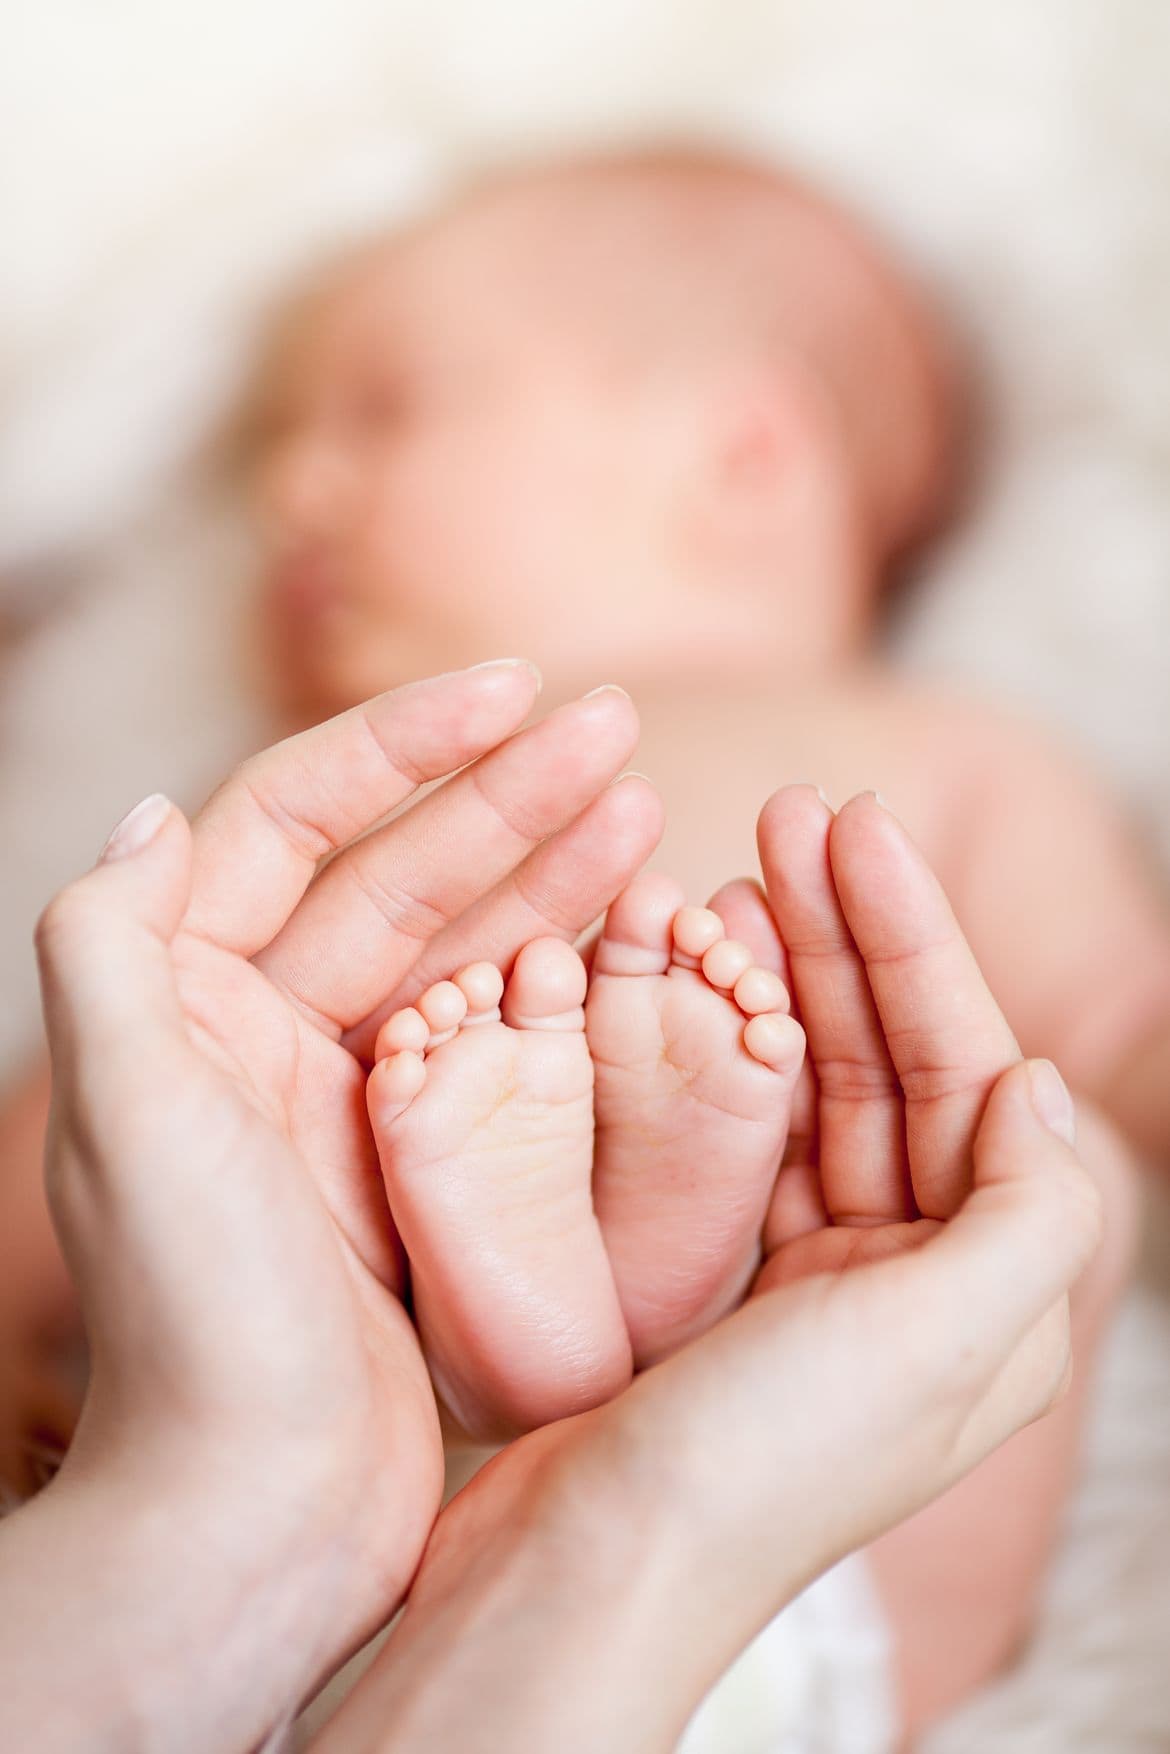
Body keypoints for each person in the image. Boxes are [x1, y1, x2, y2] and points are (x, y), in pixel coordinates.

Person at [238, 145, 1160, 1732]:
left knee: (1050, 1167)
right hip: (281, 1531)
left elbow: (1124, 1026)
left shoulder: (944, 754)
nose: (285, 493)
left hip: (763, 1574)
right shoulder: (312, 812)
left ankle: (652, 1287)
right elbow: (104, 1124)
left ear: (740, 458)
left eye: (377, 412)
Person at [1, 670, 1102, 1752]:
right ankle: (623, 1312)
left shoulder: (940, 737)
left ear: (755, 484)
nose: (310, 497)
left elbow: (1126, 1010)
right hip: (699, 1581)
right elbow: (120, 1094)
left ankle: (604, 1299)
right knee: (1026, 1216)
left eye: (371, 470)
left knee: (1037, 1185)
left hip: (262, 1623)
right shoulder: (300, 787)